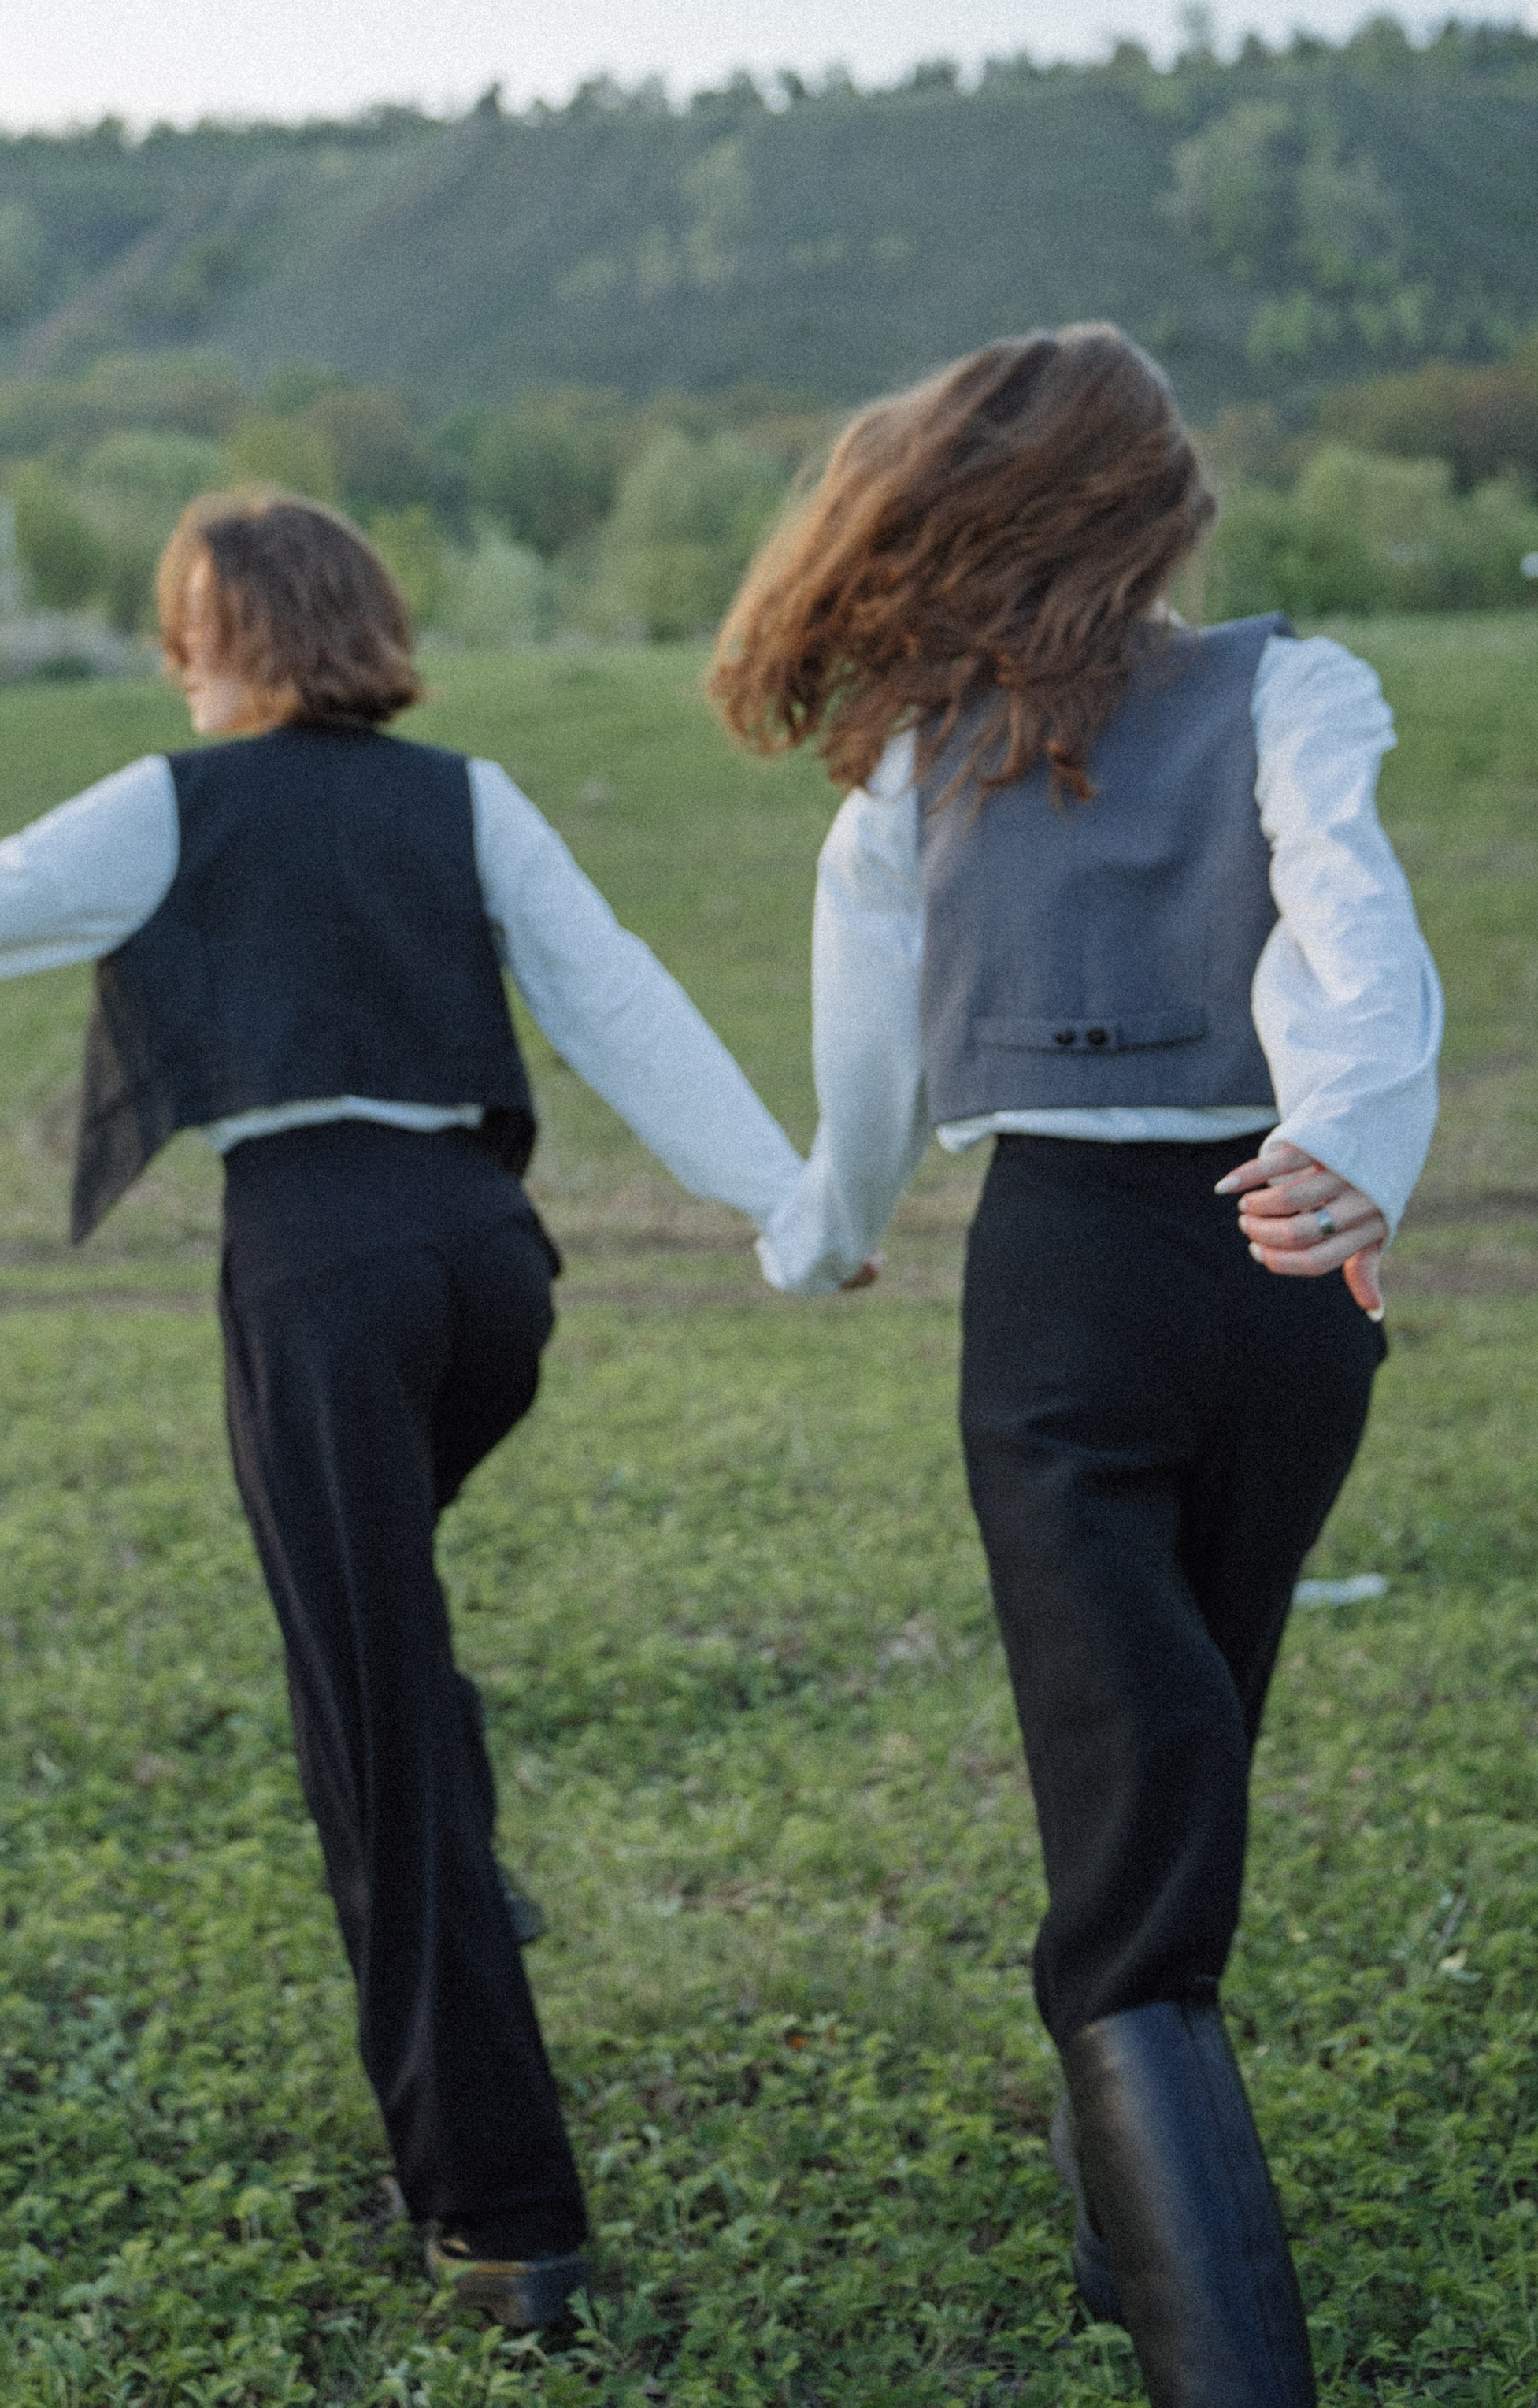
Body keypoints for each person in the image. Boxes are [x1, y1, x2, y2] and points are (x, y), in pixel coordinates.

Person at [0, 489, 806, 2332]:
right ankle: (463, 1858)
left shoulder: (168, 805)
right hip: (490, 1270)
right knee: (390, 1643)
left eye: (184, 623)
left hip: (321, 1270)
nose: (173, 658)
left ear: (224, 640)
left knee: (371, 1734)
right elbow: (617, 1004)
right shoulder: (466, 797)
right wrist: (777, 1197)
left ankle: (506, 2224)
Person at [709, 327, 1440, 2408]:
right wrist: (1340, 1147)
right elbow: (1355, 938)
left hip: (1069, 1289)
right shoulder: (1295, 686)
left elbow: (860, 1088)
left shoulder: (913, 767)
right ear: (1163, 510)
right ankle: (1133, 2243)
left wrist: (822, 1240)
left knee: (1134, 1842)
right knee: (1174, 1768)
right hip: (1289, 1277)